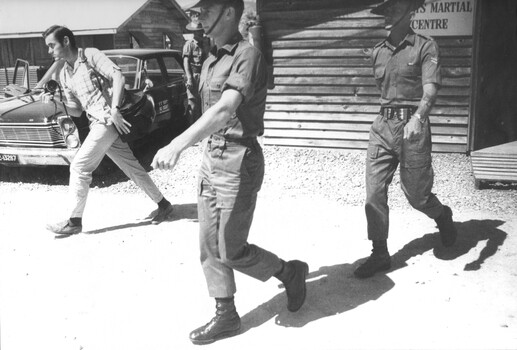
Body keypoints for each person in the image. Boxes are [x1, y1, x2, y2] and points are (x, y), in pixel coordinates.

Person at [152, 0, 309, 344]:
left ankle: (290, 272)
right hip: (212, 158)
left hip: (239, 160)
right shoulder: (210, 58)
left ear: (227, 12)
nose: (198, 18)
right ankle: (226, 316)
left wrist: (177, 144)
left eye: (205, 11)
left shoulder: (246, 55)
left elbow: (225, 110)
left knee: (232, 249)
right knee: (208, 245)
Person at [354, 0, 458, 278]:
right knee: (373, 193)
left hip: (413, 126)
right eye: (385, 10)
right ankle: (379, 253)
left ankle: (441, 215)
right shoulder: (378, 52)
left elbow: (430, 91)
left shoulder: (425, 46)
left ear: (410, 11)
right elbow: (384, 91)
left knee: (417, 196)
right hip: (382, 127)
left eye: (394, 8)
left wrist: (418, 117)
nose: (388, 14)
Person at [42, 25, 174, 235]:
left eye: (52, 45)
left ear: (66, 41)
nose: (49, 51)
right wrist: (56, 102)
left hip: (107, 121)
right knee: (132, 167)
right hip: (98, 123)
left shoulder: (90, 56)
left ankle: (74, 221)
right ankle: (164, 204)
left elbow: (118, 76)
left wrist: (114, 110)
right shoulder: (65, 74)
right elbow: (76, 111)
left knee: (79, 167)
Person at [183, 10, 210, 123]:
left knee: (203, 104)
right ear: (193, 33)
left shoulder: (205, 43)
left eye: (201, 31)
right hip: (193, 76)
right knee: (192, 105)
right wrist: (189, 78)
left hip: (203, 75)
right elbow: (186, 62)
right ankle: (191, 129)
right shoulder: (189, 44)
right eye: (197, 32)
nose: (200, 34)